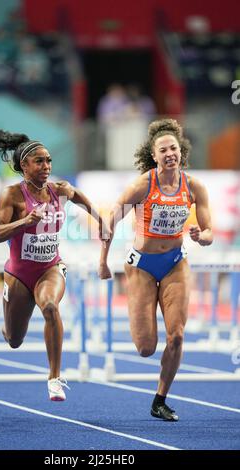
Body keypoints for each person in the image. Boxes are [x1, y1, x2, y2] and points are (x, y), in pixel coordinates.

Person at [0, 127, 102, 402]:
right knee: (14, 339)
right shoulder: (11, 196)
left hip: (50, 268)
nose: (46, 166)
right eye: (39, 161)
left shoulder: (59, 190)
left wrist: (101, 220)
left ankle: (54, 377)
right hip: (18, 274)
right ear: (23, 166)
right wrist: (24, 222)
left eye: (49, 160)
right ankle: (8, 326)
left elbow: (79, 197)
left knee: (50, 306)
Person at [99, 118, 213, 421]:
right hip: (142, 266)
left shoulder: (194, 187)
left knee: (176, 336)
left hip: (175, 263)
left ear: (181, 151)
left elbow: (209, 231)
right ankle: (141, 316)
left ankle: (160, 399)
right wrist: (103, 261)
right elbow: (111, 221)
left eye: (173, 148)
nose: (169, 154)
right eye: (163, 150)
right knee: (146, 347)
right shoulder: (142, 184)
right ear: (154, 155)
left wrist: (202, 237)